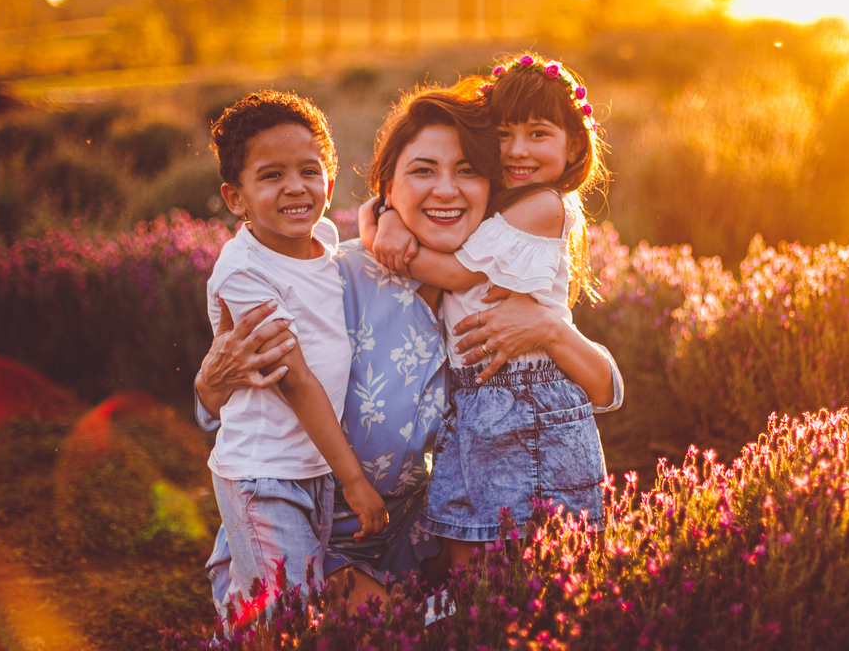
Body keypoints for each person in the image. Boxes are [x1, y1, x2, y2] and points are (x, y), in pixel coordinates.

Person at [194, 82, 623, 615]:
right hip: (317, 544)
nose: (446, 190)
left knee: (525, 609)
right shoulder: (335, 276)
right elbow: (231, 407)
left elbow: (604, 389)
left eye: (467, 171)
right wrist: (208, 386)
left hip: (422, 535)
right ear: (387, 186)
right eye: (422, 171)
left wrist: (552, 330)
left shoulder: (492, 287)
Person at [363, 54, 610, 569]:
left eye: (538, 134)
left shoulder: (544, 205)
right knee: (469, 572)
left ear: (574, 148)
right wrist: (389, 211)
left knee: (543, 570)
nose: (518, 150)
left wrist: (377, 230)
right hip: (474, 407)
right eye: (503, 134)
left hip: (529, 405)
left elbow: (455, 273)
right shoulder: (499, 207)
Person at [202, 90, 387, 612]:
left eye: (309, 171)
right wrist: (354, 480)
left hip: (310, 469)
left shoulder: (321, 239)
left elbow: (352, 233)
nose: (295, 188)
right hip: (264, 470)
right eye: (271, 175)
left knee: (279, 600)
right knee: (288, 614)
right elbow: (296, 379)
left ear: (329, 182)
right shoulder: (245, 272)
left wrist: (380, 220)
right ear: (235, 198)